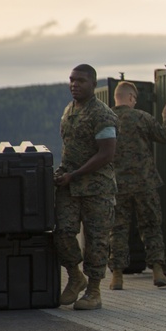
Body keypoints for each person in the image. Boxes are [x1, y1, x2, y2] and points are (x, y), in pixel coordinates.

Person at [54, 64, 118, 311]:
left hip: (96, 189)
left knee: (96, 240)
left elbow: (107, 153)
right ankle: (75, 276)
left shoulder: (102, 115)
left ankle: (94, 291)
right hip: (70, 186)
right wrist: (63, 173)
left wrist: (76, 174)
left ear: (93, 84)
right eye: (71, 80)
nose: (74, 85)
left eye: (80, 81)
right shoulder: (69, 110)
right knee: (63, 232)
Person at [107, 81, 166, 290]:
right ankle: (157, 271)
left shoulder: (106, 119)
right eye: (134, 98)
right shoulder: (142, 117)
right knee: (151, 227)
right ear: (130, 98)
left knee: (118, 230)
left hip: (117, 186)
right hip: (144, 184)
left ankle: (117, 276)